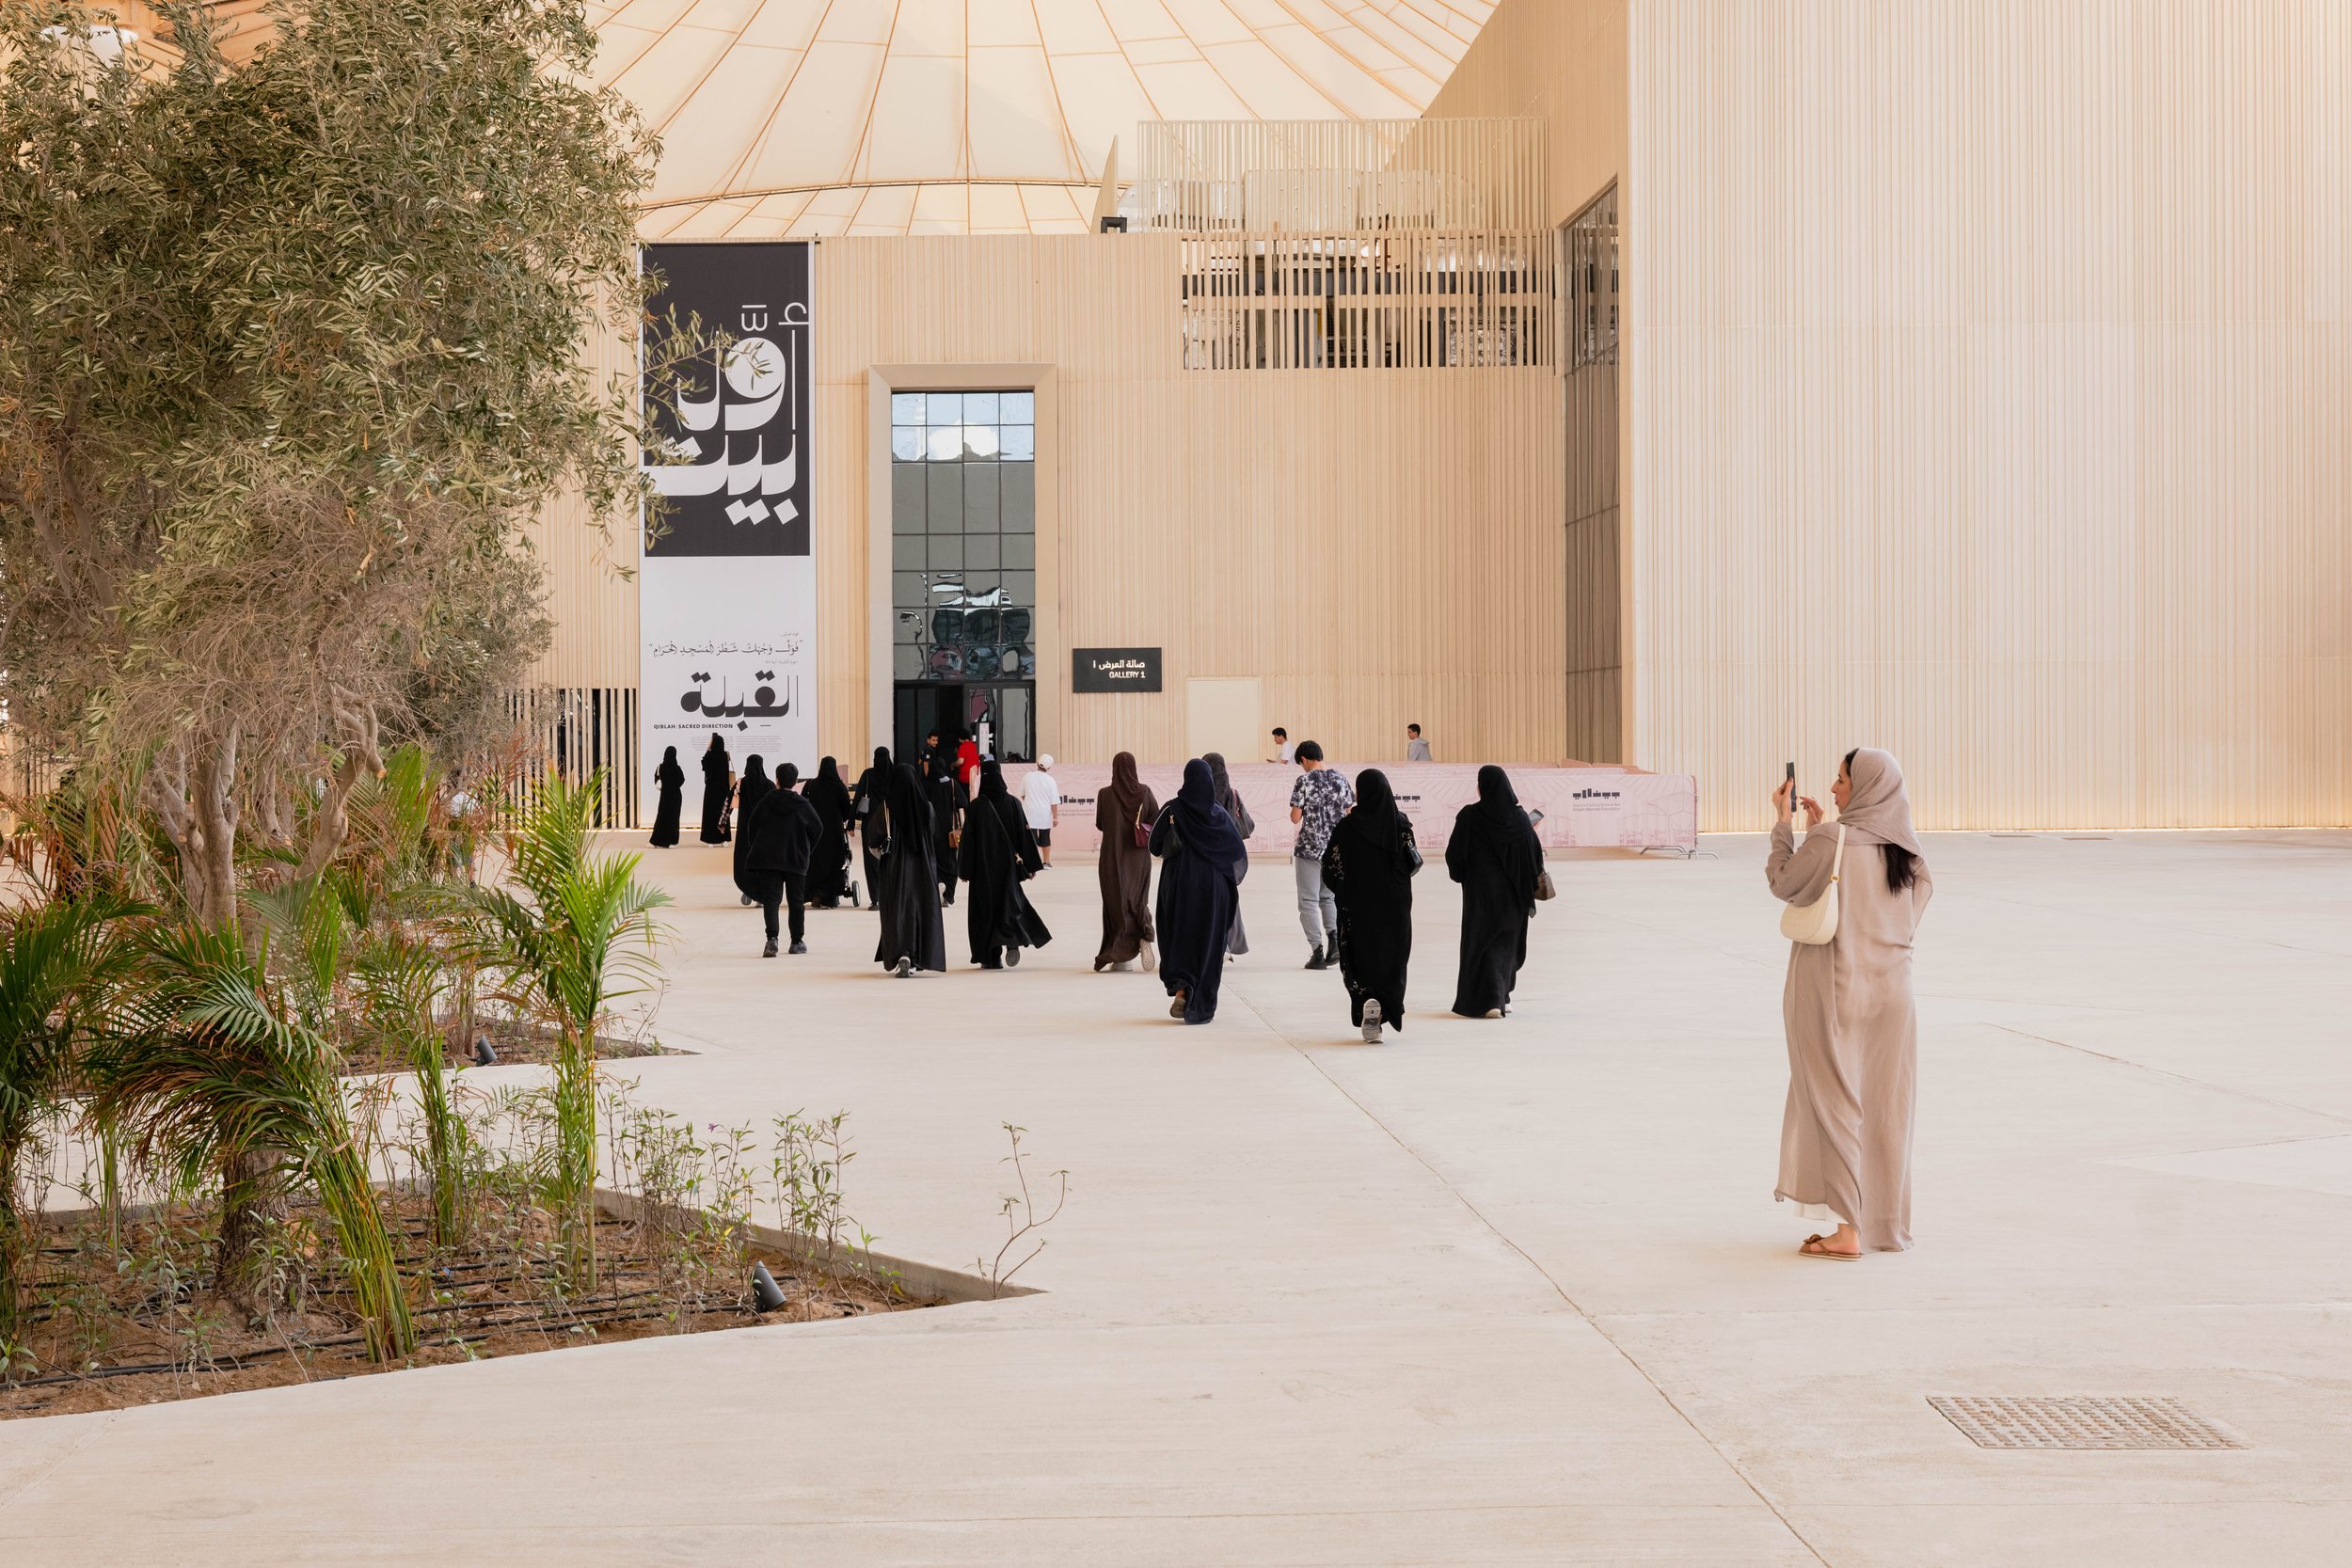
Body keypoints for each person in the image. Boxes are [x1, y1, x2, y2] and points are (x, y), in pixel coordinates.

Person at [1768, 748, 1933, 1260]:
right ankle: (1883, 1225)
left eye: (1841, 780)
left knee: (1834, 1101)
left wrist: (1784, 825)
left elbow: (1784, 882)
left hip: (1835, 988)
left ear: (1865, 788)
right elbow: (1909, 916)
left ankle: (1847, 1232)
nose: (1834, 789)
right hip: (1895, 994)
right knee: (1886, 1106)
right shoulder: (1908, 851)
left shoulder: (1831, 840)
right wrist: (1822, 833)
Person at [1321, 768, 1420, 1041]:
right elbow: (1411, 862)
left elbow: (1330, 867)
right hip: (1395, 906)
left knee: (1360, 953)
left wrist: (1345, 889)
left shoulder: (1347, 827)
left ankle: (1367, 998)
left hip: (1358, 905)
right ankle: (1385, 1005)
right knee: (1393, 956)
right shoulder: (1400, 825)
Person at [1151, 758, 1248, 1023]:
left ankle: (1182, 987)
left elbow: (1154, 845)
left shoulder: (1173, 808)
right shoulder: (1218, 813)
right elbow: (1236, 851)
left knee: (1180, 934)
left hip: (1179, 884)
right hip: (1213, 889)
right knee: (1209, 940)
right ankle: (1202, 1001)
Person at [1446, 765, 1544, 1018]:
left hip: (1480, 895)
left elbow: (1455, 855)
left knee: (1481, 943)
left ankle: (1491, 999)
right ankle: (1503, 995)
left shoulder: (1469, 817)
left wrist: (1463, 874)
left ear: (1482, 787)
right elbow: (1534, 858)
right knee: (1506, 943)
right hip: (1513, 895)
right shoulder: (1520, 819)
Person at [959, 761, 1053, 969]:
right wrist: (1030, 865)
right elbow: (1024, 834)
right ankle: (1011, 940)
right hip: (1008, 869)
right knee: (1009, 904)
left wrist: (965, 871)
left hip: (983, 871)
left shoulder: (976, 807)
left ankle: (991, 958)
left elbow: (968, 842)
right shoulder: (1013, 803)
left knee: (985, 912)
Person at [872, 761, 947, 976]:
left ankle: (901, 953)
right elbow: (934, 834)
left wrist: (883, 857)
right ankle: (914, 954)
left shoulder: (886, 808)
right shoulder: (927, 807)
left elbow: (873, 841)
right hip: (923, 868)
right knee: (920, 910)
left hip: (894, 869)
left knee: (896, 911)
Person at [737, 762, 820, 956]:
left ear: (777, 780)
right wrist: (806, 850)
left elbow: (752, 825)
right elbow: (818, 828)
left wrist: (758, 845)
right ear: (795, 781)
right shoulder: (803, 804)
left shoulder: (767, 801)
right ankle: (797, 942)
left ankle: (771, 940)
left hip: (769, 858)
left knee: (771, 900)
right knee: (796, 902)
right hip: (796, 859)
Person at [1286, 740, 1353, 969]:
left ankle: (1317, 952)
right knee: (1328, 897)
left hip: (1309, 849)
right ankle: (1334, 942)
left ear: (1304, 759)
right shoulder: (1340, 779)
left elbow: (1295, 817)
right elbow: (1349, 811)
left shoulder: (1304, 781)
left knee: (1308, 901)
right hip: (1335, 849)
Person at [1092, 750, 1160, 972]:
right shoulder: (1145, 792)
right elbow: (1156, 819)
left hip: (1112, 857)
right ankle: (1144, 932)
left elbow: (1101, 824)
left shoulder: (1105, 795)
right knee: (1137, 899)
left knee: (1115, 902)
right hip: (1138, 857)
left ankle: (1120, 957)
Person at [1201, 751, 1254, 957]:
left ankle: (1213, 945)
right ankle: (1227, 945)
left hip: (1205, 855)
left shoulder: (1200, 794)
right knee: (1228, 899)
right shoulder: (1232, 794)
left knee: (1206, 900)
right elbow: (1248, 824)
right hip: (1229, 856)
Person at [803, 755, 857, 908]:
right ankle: (830, 896)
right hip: (834, 832)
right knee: (833, 862)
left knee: (814, 862)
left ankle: (814, 894)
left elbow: (802, 804)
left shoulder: (811, 785)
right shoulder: (840, 787)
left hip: (813, 831)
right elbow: (847, 812)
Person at [923, 732, 967, 907]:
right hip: (950, 831)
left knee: (933, 860)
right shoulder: (952, 783)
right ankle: (949, 896)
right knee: (950, 862)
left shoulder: (927, 785)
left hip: (932, 830)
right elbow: (963, 803)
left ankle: (937, 884)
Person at [731, 755, 773, 905]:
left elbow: (729, 802)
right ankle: (761, 894)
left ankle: (747, 889)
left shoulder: (741, 784)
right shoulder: (769, 785)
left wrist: (721, 823)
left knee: (745, 859)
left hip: (745, 830)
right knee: (763, 861)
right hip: (764, 830)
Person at [851, 746, 891, 896]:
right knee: (891, 858)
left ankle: (875, 898)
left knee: (871, 859)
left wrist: (851, 823)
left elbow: (857, 799)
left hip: (871, 824)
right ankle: (890, 896)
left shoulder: (868, 774)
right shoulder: (894, 774)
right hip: (890, 823)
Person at [1021, 754, 1062, 866]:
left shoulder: (1027, 776)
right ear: (1049, 768)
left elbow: (1022, 794)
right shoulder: (1050, 780)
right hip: (1044, 814)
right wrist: (1055, 817)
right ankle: (1046, 862)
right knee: (1045, 838)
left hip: (1029, 813)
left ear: (1037, 764)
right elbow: (1054, 802)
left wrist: (1030, 801)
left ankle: (1031, 863)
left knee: (1030, 839)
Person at [697, 734, 733, 845]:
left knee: (710, 813)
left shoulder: (709, 755)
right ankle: (724, 839)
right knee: (723, 812)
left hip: (711, 789)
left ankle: (710, 840)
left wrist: (708, 749)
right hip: (723, 789)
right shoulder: (725, 755)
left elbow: (704, 766)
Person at [649, 746, 685, 847]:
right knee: (674, 819)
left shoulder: (661, 767)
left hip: (665, 796)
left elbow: (656, 779)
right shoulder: (677, 768)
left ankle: (656, 841)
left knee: (662, 817)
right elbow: (681, 781)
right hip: (676, 797)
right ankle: (672, 842)